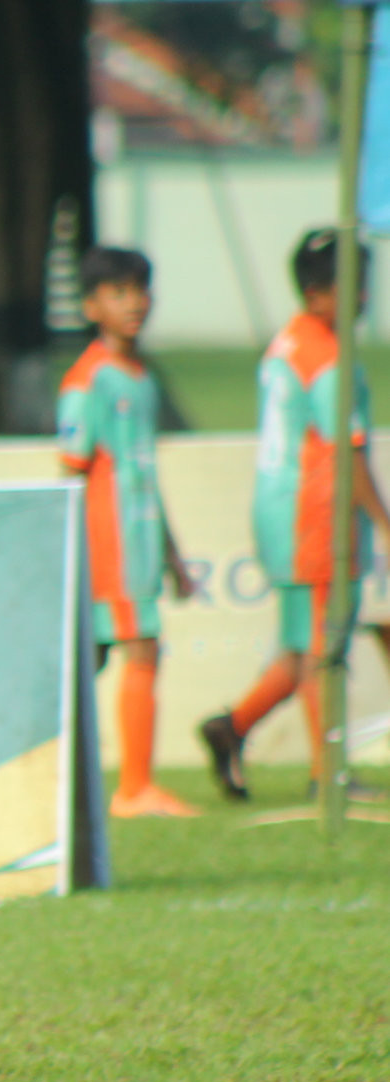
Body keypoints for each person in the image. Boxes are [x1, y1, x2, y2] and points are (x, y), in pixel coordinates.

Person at [201, 229, 390, 801]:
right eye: (350, 287)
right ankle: (326, 773)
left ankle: (230, 729)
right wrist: (383, 522)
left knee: (300, 644)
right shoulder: (330, 359)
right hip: (311, 511)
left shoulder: (290, 342)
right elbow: (346, 449)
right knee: (319, 647)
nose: (363, 298)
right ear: (316, 295)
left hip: (281, 505)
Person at [59, 246, 198, 818]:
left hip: (138, 543)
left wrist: (171, 553)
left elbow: (141, 470)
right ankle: (134, 788)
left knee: (92, 660)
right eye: (119, 293)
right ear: (92, 305)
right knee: (133, 651)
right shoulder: (88, 380)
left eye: (140, 290)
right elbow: (71, 467)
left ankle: (86, 776)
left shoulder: (139, 376)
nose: (135, 303)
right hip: (109, 542)